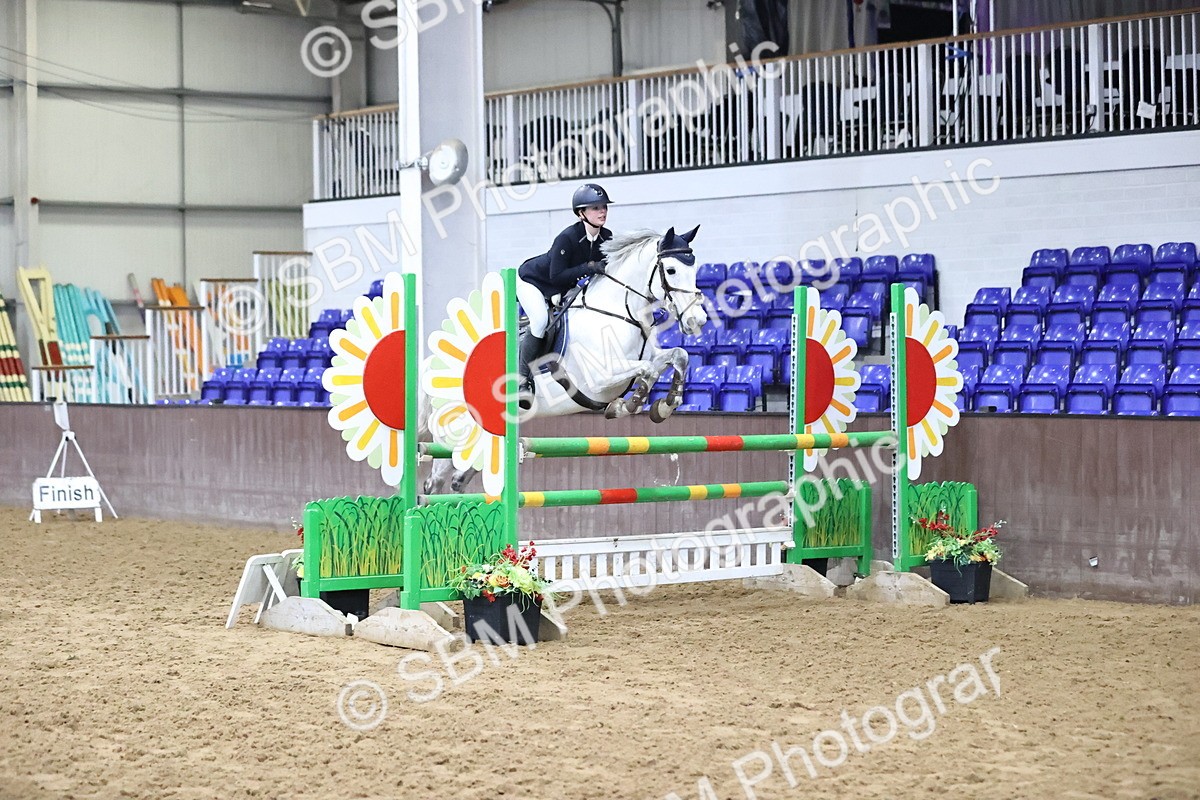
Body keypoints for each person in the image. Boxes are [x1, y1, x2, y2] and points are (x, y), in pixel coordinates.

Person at [514, 183, 614, 406]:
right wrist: (589, 267)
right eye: (595, 207)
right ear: (581, 213)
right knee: (540, 321)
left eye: (604, 207)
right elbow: (557, 275)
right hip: (534, 281)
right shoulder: (567, 237)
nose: (602, 211)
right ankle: (522, 380)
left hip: (562, 287)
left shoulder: (606, 237)